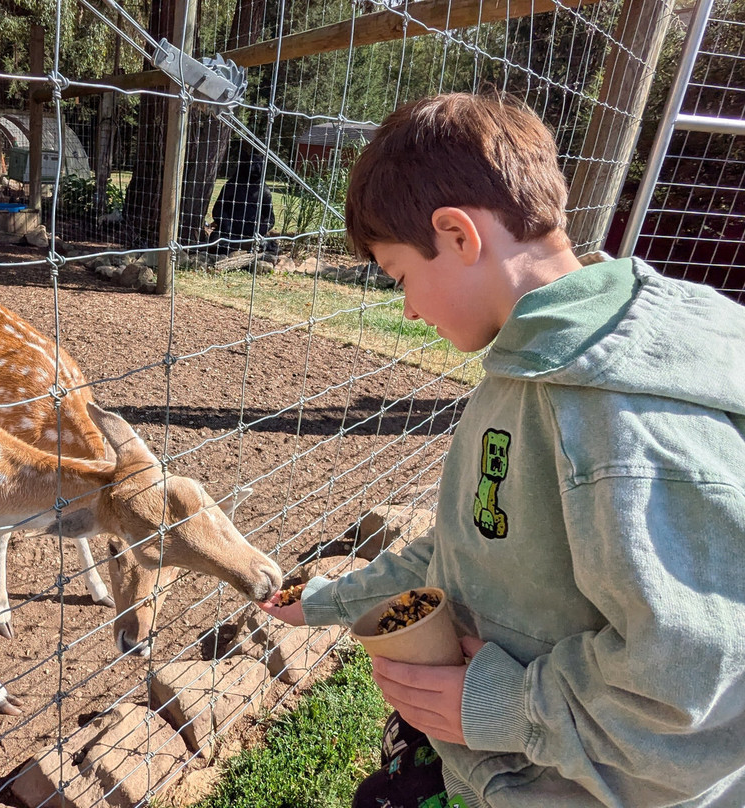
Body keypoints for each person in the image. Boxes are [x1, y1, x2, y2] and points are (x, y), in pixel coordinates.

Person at [259, 92, 745, 807]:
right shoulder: (528, 365)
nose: (410, 310)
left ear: (458, 235)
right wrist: (331, 599)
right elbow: (471, 544)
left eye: (401, 278)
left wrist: (501, 708)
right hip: (509, 764)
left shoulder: (614, 419)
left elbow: (688, 686)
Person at [210, 141, 278, 256]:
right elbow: (218, 210)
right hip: (230, 233)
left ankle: (250, 249)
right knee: (216, 241)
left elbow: (269, 218)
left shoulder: (264, 191)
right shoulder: (231, 186)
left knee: (270, 246)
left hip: (252, 234)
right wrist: (228, 226)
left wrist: (259, 230)